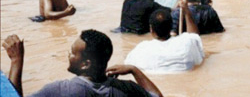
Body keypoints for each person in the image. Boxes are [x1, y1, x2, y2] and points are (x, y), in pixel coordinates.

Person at [2, 30, 163, 97]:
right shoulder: (125, 89)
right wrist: (134, 70)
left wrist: (17, 61)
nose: (68, 54)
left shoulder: (62, 91)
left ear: (85, 64)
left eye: (72, 52)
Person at [124, 0, 204, 74]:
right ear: (171, 26)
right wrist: (186, 10)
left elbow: (128, 65)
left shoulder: (141, 49)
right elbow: (194, 36)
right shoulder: (186, 43)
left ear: (151, 29)